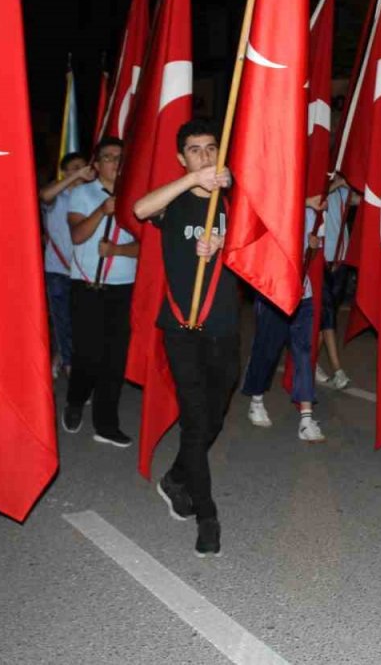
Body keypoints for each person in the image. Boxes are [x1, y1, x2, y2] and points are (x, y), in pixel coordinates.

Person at [132, 120, 238, 558]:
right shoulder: (174, 203)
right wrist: (192, 181)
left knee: (212, 419)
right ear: (182, 158)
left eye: (211, 149)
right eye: (194, 151)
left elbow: (261, 243)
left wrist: (225, 244)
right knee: (196, 420)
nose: (205, 157)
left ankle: (176, 477)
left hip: (224, 325)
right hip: (182, 329)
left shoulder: (235, 200)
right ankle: (207, 515)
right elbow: (139, 209)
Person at [64, 137, 139, 446]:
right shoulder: (82, 194)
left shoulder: (136, 197)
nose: (115, 163)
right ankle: (75, 399)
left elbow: (145, 247)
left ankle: (106, 424)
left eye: (120, 157)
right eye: (108, 157)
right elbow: (78, 235)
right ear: (96, 165)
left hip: (122, 288)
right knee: (88, 355)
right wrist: (103, 209)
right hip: (87, 287)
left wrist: (118, 249)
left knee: (114, 358)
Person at [242, 197, 327, 442]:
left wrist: (314, 243)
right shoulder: (273, 210)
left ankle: (307, 418)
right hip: (274, 292)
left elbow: (315, 244)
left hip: (304, 294)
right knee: (267, 350)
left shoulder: (312, 215)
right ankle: (256, 400)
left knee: (303, 353)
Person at [39, 152, 95, 381]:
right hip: (58, 271)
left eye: (83, 166)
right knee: (62, 320)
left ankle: (64, 356)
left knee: (82, 323)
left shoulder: (93, 197)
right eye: (73, 168)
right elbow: (44, 195)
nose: (80, 171)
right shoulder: (59, 198)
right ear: (64, 173)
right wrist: (74, 178)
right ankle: (70, 367)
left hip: (85, 272)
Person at [315, 176, 356, 390]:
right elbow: (317, 198)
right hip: (320, 259)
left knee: (326, 318)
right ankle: (338, 369)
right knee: (328, 313)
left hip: (341, 259)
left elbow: (362, 200)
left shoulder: (343, 192)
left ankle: (308, 361)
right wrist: (338, 183)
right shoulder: (322, 188)